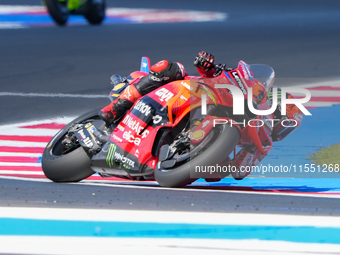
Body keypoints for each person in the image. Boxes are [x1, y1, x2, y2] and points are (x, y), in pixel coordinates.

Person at [98, 51, 224, 125]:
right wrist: (208, 67)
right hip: (173, 95)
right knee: (173, 68)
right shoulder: (216, 84)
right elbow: (210, 80)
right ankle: (115, 108)